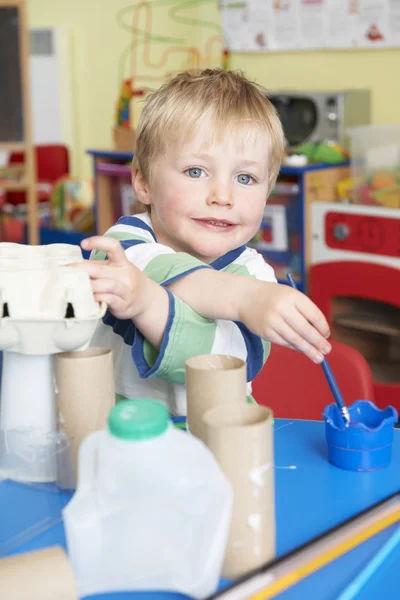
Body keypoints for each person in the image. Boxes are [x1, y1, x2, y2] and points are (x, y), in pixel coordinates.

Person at [77, 69, 331, 415]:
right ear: (143, 182)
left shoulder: (256, 276)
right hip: (109, 437)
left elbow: (219, 364)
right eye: (196, 171)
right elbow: (147, 272)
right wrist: (245, 300)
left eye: (246, 178)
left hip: (215, 441)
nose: (223, 196)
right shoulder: (124, 243)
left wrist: (148, 301)